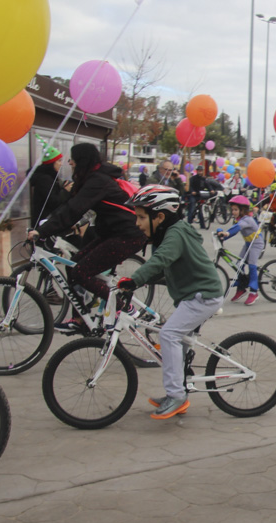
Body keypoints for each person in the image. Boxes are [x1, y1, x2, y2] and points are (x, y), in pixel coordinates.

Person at [119, 185, 224, 419]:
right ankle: (178, 392)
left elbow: (161, 259)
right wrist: (135, 281)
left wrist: (135, 279)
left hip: (202, 296)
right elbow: (166, 266)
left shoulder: (174, 233)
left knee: (168, 335)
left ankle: (176, 395)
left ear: (160, 217)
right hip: (193, 296)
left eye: (141, 217)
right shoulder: (171, 232)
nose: (137, 223)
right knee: (178, 342)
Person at [27, 143, 148, 332]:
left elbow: (74, 209)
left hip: (128, 235)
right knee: (74, 264)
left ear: (82, 160)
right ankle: (80, 319)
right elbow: (69, 206)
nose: (69, 162)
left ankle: (124, 306)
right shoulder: (92, 178)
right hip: (114, 232)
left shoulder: (98, 180)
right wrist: (48, 225)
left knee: (80, 272)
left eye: (72, 158)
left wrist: (42, 232)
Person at [216, 196, 265, 305]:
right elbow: (233, 230)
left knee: (252, 265)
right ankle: (241, 288)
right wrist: (223, 237)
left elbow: (237, 228)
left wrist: (226, 233)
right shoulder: (240, 219)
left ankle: (254, 292)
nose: (233, 212)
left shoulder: (247, 219)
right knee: (239, 264)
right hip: (248, 243)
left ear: (243, 210)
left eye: (235, 210)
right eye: (232, 210)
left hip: (256, 244)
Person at [29, 136, 72, 227]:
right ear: (52, 163)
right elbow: (53, 201)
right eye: (59, 161)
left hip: (49, 222)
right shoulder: (45, 179)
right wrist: (65, 191)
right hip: (45, 224)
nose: (61, 164)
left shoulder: (51, 178)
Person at [185, 165, 208, 229]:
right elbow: (190, 186)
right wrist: (192, 191)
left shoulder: (204, 179)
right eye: (199, 171)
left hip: (200, 195)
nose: (200, 172)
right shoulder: (192, 178)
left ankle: (202, 225)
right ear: (197, 171)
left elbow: (206, 186)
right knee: (192, 209)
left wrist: (210, 190)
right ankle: (188, 224)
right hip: (194, 195)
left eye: (201, 171)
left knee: (200, 211)